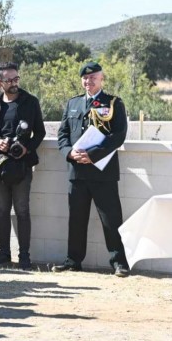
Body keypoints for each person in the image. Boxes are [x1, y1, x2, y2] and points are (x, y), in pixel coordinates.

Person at [53, 62, 130, 277]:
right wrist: (69, 153)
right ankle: (73, 260)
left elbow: (119, 134)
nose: (89, 81)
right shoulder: (73, 104)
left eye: (93, 77)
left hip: (102, 172)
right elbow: (62, 135)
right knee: (76, 219)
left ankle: (119, 262)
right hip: (77, 171)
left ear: (102, 78)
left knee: (111, 219)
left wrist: (93, 154)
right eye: (85, 78)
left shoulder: (113, 102)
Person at [0, 62, 46, 270]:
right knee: (2, 210)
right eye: (10, 80)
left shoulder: (30, 102)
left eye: (17, 79)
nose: (15, 83)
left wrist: (27, 148)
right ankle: (3, 254)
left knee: (23, 210)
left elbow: (40, 133)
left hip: (22, 165)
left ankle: (24, 256)